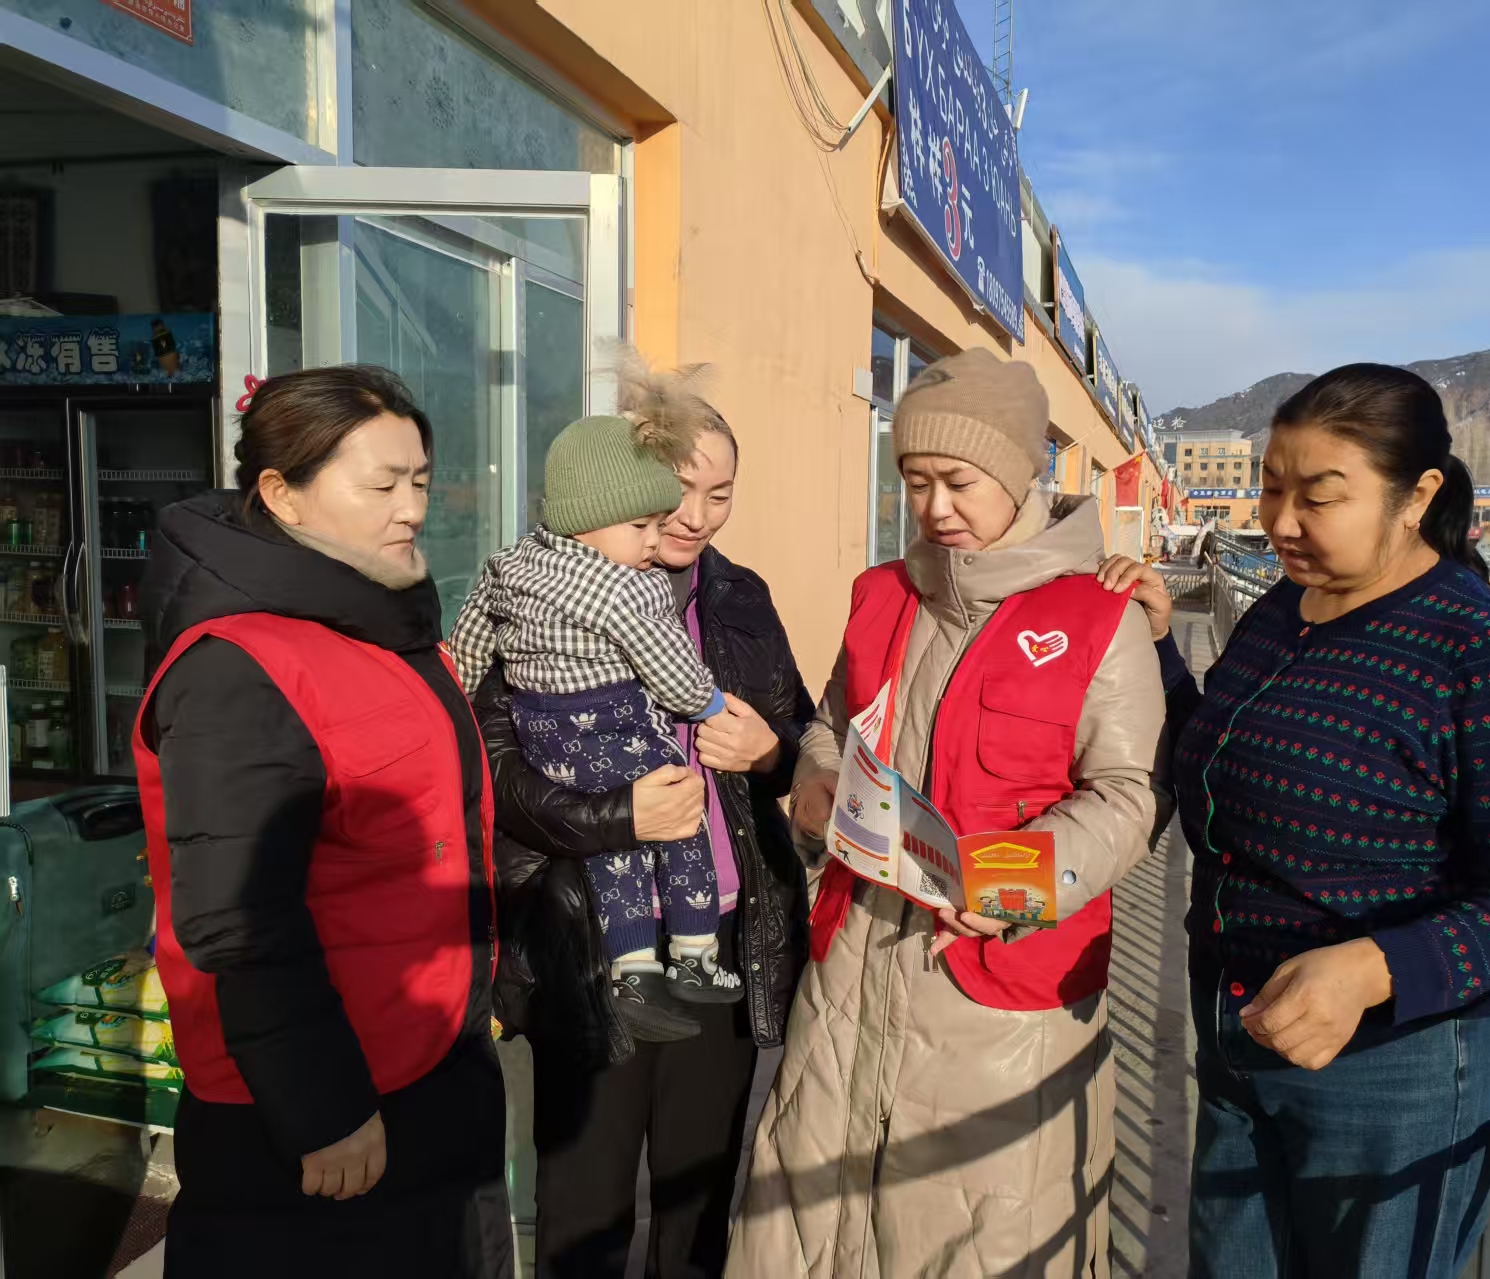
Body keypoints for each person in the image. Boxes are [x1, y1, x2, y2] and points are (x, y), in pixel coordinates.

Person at [1101, 364, 1490, 1277]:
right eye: (1271, 488)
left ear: (1419, 497)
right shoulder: (1283, 609)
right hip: (1240, 1023)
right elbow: (1222, 760)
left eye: (1319, 498)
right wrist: (1159, 645)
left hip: (1396, 1066)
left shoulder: (1488, 653)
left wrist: (1373, 968)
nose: (1281, 522)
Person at [728, 347, 1171, 1277]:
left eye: (959, 482)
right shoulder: (880, 594)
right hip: (853, 969)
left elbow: (1127, 795)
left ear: (1019, 472)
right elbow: (834, 723)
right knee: (818, 1215)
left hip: (995, 995)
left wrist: (1009, 882)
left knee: (974, 1231)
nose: (934, 508)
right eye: (916, 480)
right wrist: (817, 776)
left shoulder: (1101, 616)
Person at [135, 366, 510, 1278]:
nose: (412, 508)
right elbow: (239, 915)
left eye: (420, 480)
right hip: (321, 1114)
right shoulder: (239, 663)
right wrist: (324, 1108)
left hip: (429, 1065)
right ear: (281, 493)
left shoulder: (383, 623)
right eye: (381, 485)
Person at [476, 369, 814, 1278]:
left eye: (721, 493)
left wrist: (771, 753)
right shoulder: (540, 592)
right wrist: (616, 815)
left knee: (696, 1199)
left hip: (721, 936)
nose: (696, 516)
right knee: (583, 1206)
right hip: (591, 943)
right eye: (680, 488)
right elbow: (495, 769)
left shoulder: (741, 598)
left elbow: (802, 735)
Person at [450, 380, 747, 1043]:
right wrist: (709, 705)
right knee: (680, 822)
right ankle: (694, 953)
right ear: (593, 514)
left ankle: (634, 969)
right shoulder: (626, 589)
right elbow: (672, 674)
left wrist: (459, 689)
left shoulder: (509, 566)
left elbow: (468, 643)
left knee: (618, 854)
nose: (665, 533)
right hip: (610, 730)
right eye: (646, 522)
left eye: (719, 495)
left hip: (548, 737)